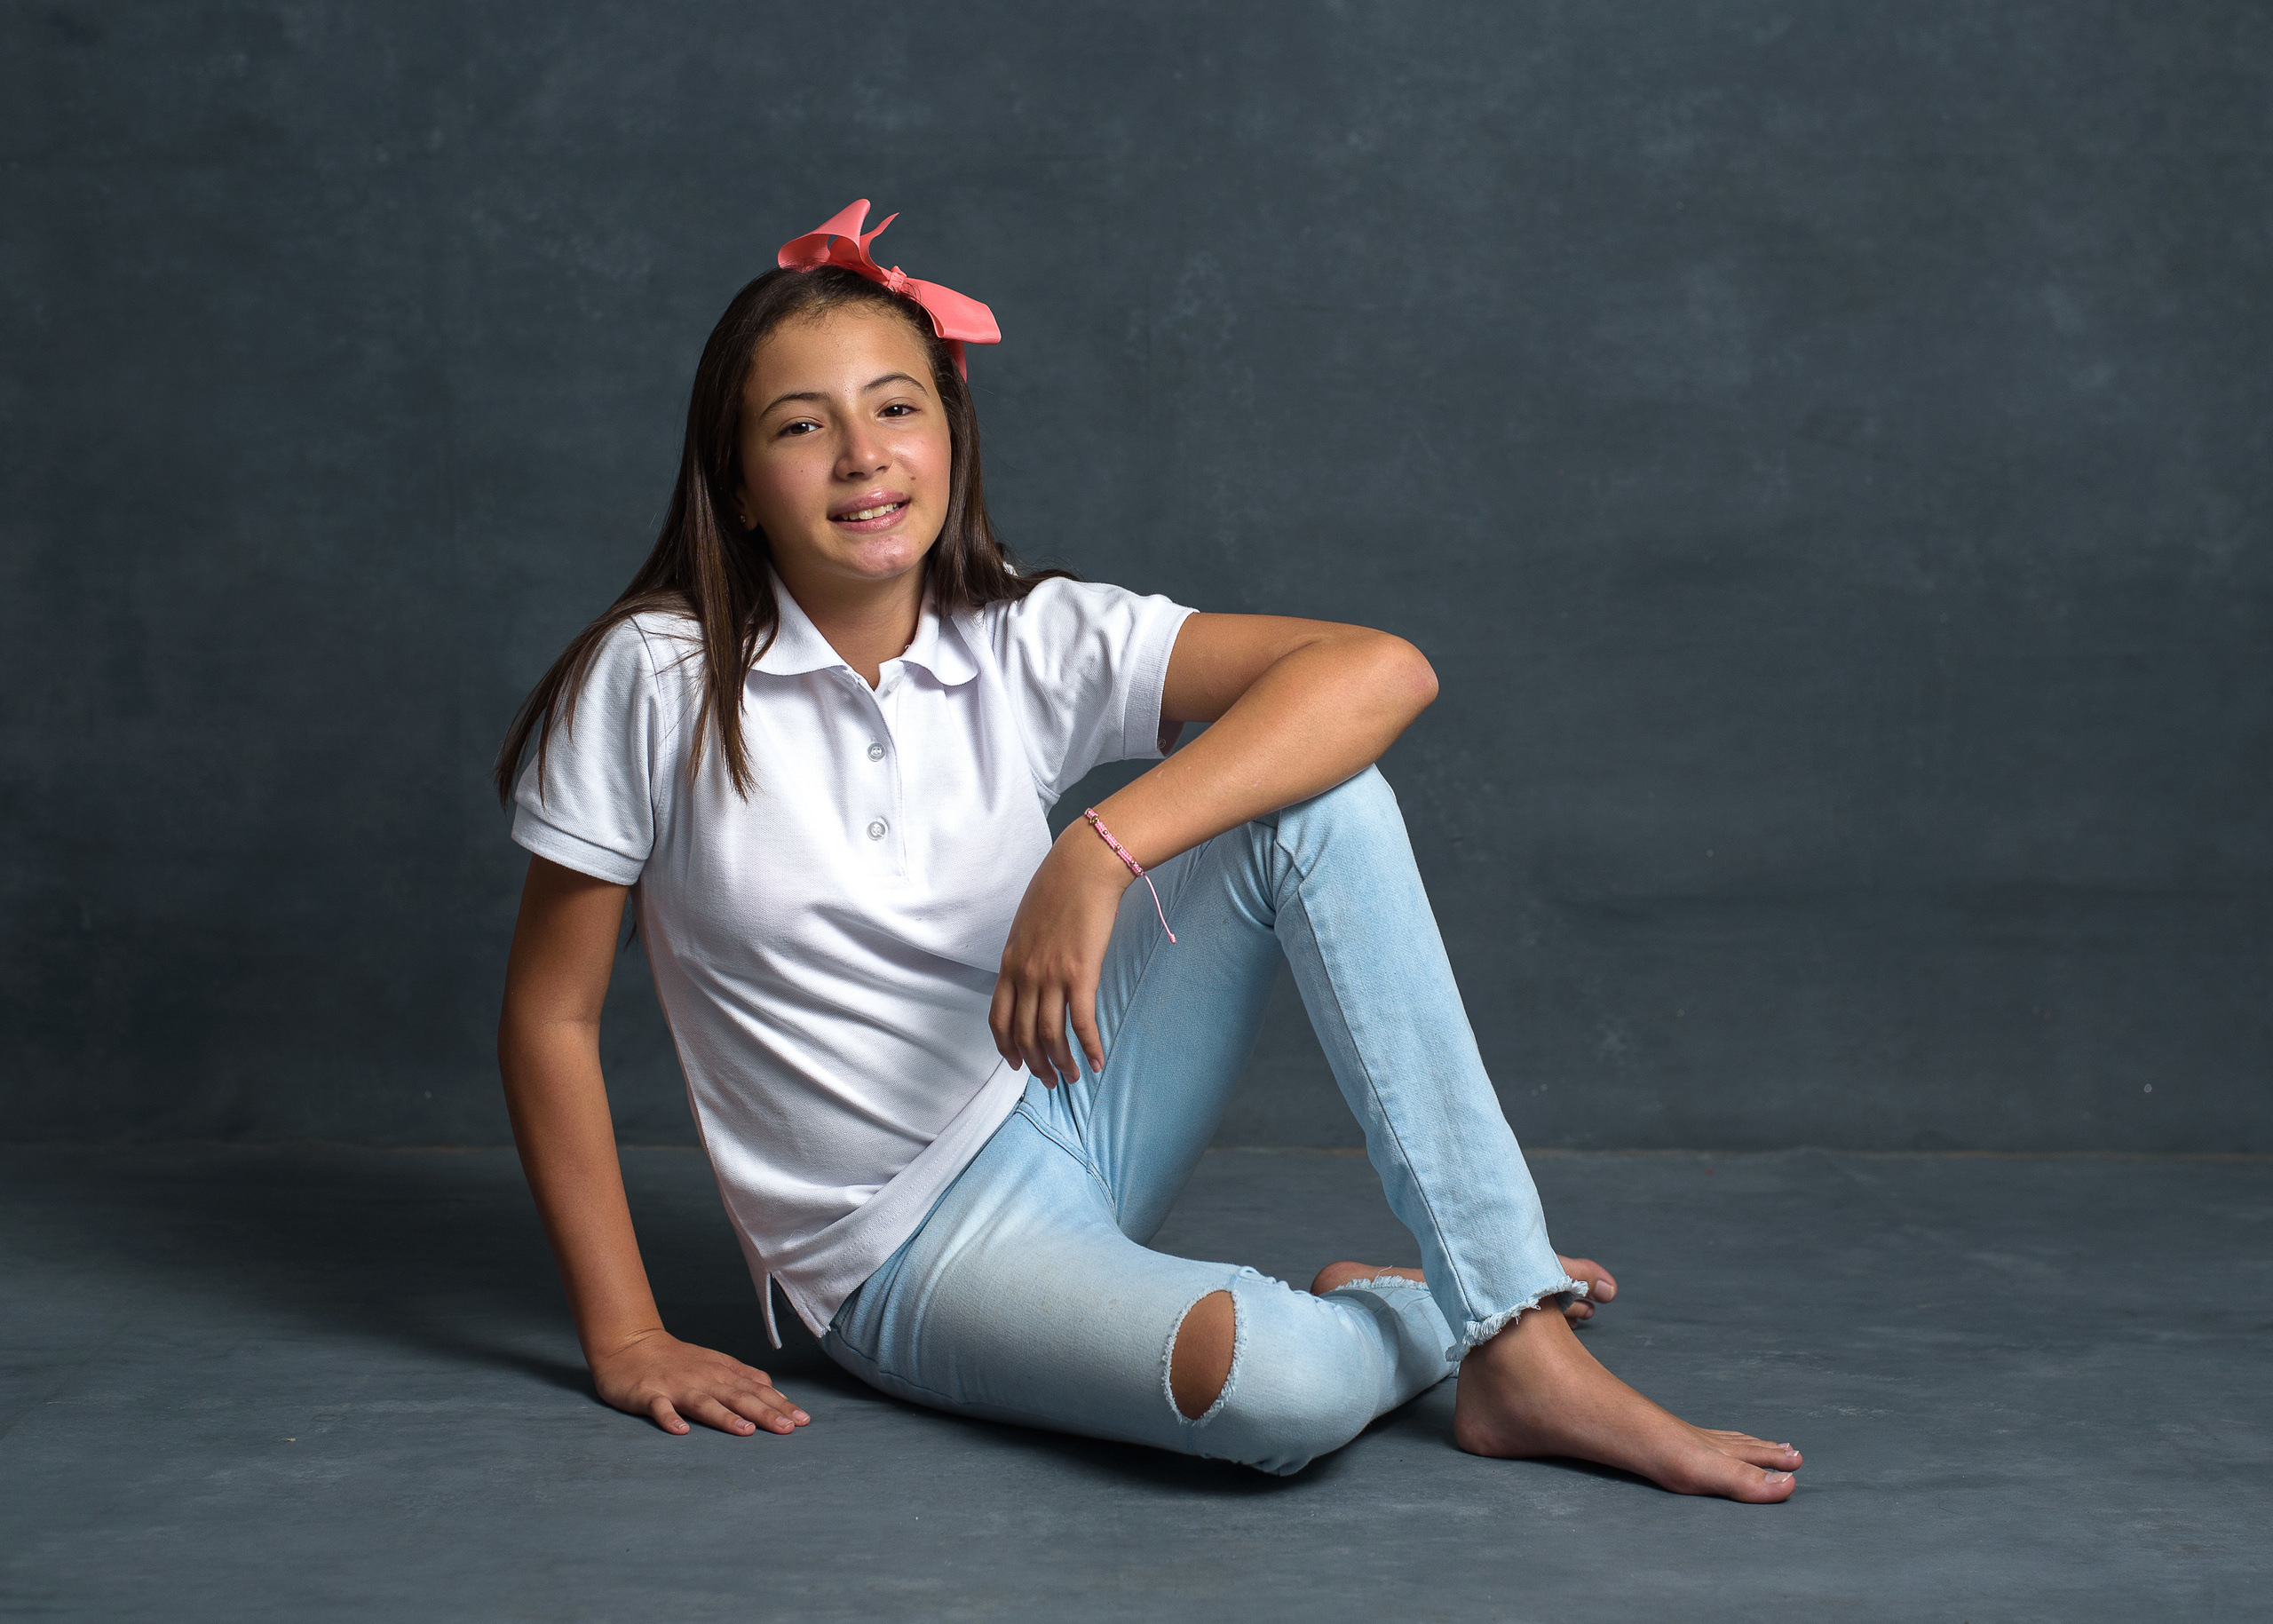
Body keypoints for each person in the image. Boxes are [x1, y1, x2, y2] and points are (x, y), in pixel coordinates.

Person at [493, 200, 1802, 1500]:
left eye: (896, 406)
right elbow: (551, 1016)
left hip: (1074, 1088)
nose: (861, 456)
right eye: (800, 425)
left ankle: (1511, 1336)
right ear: (738, 482)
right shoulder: (657, 679)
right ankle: (1431, 1305)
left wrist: (1101, 848)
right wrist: (626, 1333)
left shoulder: (1018, 633)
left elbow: (1379, 672)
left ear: (951, 432)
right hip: (914, 1248)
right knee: (1279, 1390)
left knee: (1320, 798)